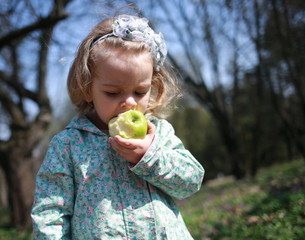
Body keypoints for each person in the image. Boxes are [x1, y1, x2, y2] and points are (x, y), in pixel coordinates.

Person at [31, 14, 205, 239]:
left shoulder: (158, 133)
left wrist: (150, 156)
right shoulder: (68, 145)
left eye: (140, 92)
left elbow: (190, 183)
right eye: (113, 93)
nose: (130, 102)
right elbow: (51, 213)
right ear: (87, 89)